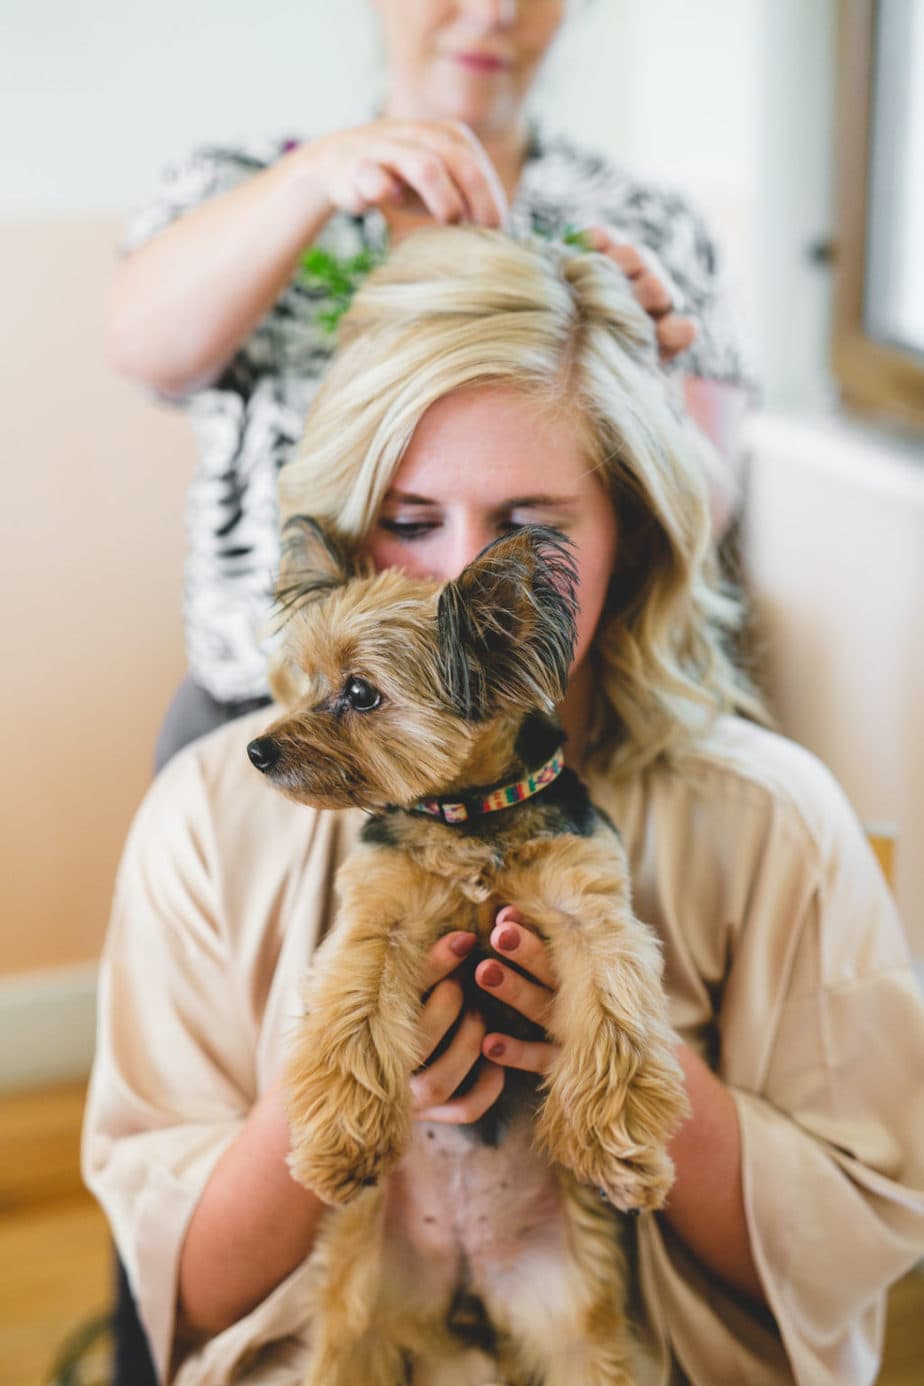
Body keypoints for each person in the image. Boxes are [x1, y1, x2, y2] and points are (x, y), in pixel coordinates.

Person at [84, 227, 924, 1386]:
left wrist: (635, 1063)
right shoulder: (206, 819)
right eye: (411, 523)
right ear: (336, 540)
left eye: (529, 532)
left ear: (626, 542)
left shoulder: (778, 823)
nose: (454, 592)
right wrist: (357, 1064)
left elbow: (851, 1241)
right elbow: (178, 1281)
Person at [109, 0, 750, 771]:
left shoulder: (652, 223)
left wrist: (636, 396)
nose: (492, 12)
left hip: (554, 725)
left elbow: (705, 507)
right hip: (277, 701)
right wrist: (312, 178)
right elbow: (145, 349)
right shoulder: (242, 183)